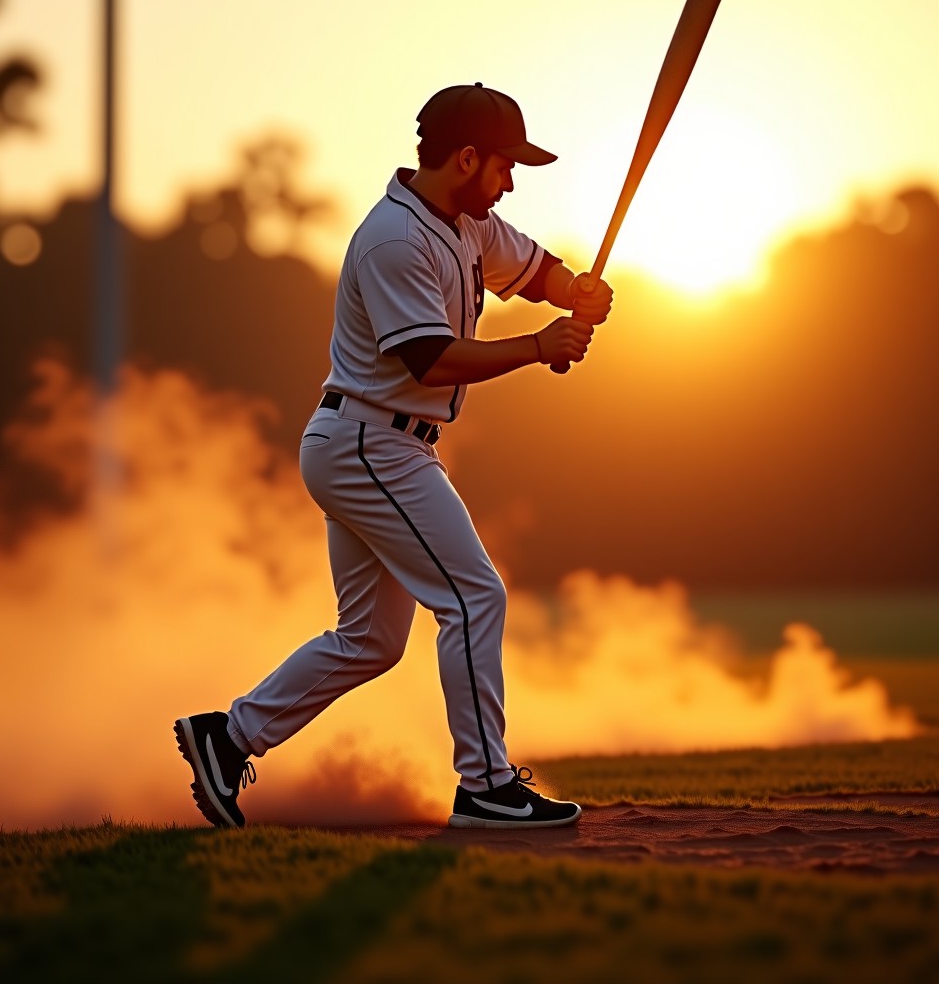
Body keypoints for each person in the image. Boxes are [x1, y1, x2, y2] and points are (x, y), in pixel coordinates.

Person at [175, 83, 613, 829]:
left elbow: (534, 270)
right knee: (476, 598)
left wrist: (576, 290)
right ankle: (486, 786)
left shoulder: (465, 221)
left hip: (374, 442)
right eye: (505, 165)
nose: (510, 180)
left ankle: (228, 736)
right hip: (371, 442)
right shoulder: (394, 238)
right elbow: (429, 360)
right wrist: (540, 346)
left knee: (371, 641)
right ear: (466, 158)